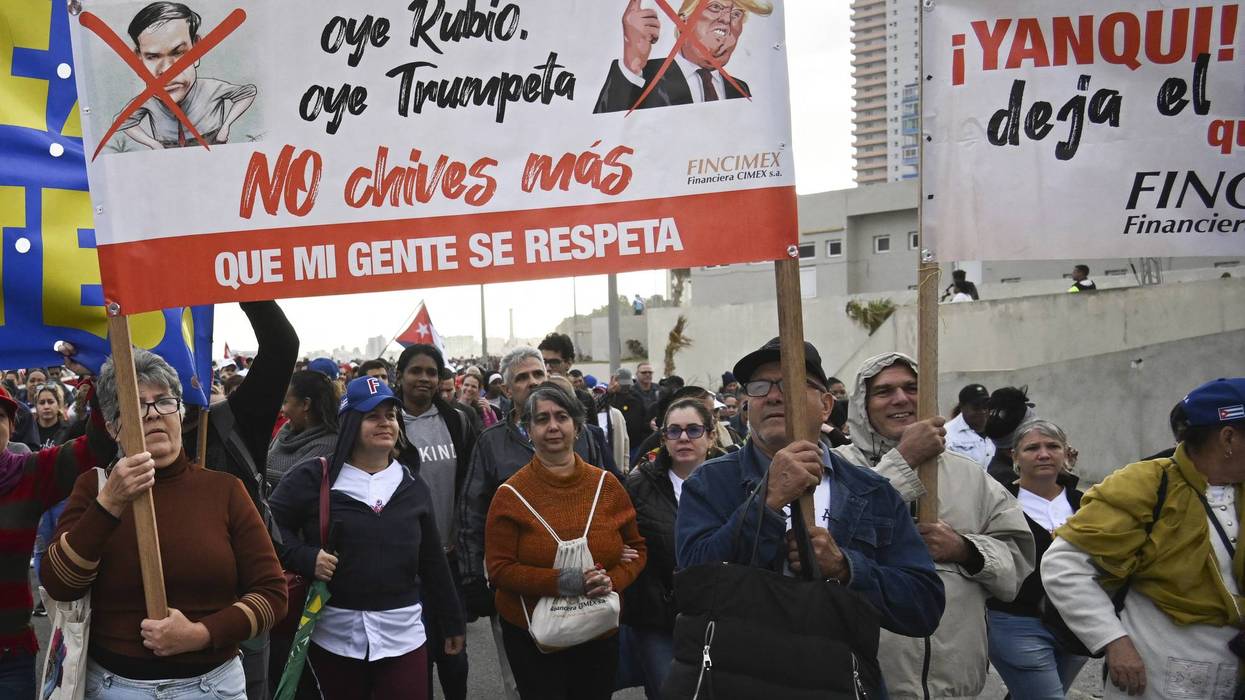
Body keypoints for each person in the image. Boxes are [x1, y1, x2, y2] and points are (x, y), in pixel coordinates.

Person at [676, 338, 946, 691]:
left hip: (840, 683)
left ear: (825, 405)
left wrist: (847, 567)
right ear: (746, 406)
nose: (773, 396)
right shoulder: (709, 483)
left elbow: (923, 605)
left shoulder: (870, 491)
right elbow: (693, 586)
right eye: (759, 387)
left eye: (789, 383)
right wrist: (767, 504)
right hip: (736, 682)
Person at [42, 349, 286, 699]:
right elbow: (59, 583)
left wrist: (202, 632)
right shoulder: (93, 488)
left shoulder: (224, 490)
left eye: (164, 402)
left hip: (212, 688)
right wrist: (111, 502)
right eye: (137, 405)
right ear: (113, 427)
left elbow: (272, 594)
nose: (153, 414)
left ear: (180, 414)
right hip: (114, 688)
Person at [834, 352, 1034, 698]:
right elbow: (835, 539)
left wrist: (966, 550)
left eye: (912, 387)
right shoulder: (836, 469)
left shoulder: (968, 474)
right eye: (884, 391)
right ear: (862, 405)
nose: (901, 398)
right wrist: (903, 462)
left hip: (954, 687)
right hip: (867, 684)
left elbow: (1018, 561)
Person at [1043, 377, 1245, 699]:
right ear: (1228, 437)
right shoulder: (1147, 483)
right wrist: (1113, 640)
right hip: (1155, 679)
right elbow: (1063, 566)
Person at [270, 377, 464, 700]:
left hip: (404, 636)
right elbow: (267, 523)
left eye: (390, 415)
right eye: (373, 416)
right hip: (334, 638)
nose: (385, 422)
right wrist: (305, 557)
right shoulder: (315, 477)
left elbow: (433, 561)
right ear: (351, 424)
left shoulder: (413, 486)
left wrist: (452, 622)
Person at [458, 347, 611, 700]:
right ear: (507, 390)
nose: (533, 383)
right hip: (519, 587)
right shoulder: (491, 442)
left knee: (584, 681)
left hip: (584, 581)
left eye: (538, 375)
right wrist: (472, 579)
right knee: (526, 685)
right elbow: (470, 512)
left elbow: (607, 496)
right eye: (522, 378)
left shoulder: (582, 435)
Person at [484, 384, 647, 700]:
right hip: (534, 637)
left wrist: (611, 580)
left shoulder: (607, 486)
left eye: (562, 416)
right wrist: (569, 581)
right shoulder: (510, 496)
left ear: (577, 425)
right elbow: (499, 571)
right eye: (542, 419)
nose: (553, 426)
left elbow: (638, 549)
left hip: (598, 631)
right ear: (528, 430)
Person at [0, 378, 107, 696]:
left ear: (11, 426)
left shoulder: (27, 475)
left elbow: (97, 448)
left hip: (9, 659)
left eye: (0, 416)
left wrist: (100, 390)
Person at [621, 397, 723, 698]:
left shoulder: (732, 481)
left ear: (711, 435)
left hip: (719, 615)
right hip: (659, 619)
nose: (683, 438)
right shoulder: (640, 484)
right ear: (662, 437)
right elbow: (625, 540)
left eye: (693, 430)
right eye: (673, 431)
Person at [395, 344, 478, 700]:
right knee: (417, 663)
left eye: (432, 372)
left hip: (450, 561)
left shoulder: (457, 419)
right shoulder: (387, 422)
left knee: (455, 659)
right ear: (400, 376)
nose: (425, 378)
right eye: (416, 371)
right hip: (406, 566)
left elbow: (473, 483)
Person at [987, 419, 1088, 699]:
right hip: (1016, 621)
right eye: (1032, 448)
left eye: (1052, 446)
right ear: (1015, 456)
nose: (1044, 454)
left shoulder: (1088, 504)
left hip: (1077, 624)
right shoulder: (999, 503)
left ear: (1066, 453)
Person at [114, 2, 256, 150]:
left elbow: (248, 92)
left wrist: (226, 126)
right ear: (138, 60)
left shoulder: (210, 88)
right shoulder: (148, 100)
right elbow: (122, 121)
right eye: (152, 56)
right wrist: (154, 144)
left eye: (178, 52)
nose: (167, 70)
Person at [594, 0, 774, 113]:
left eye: (736, 14)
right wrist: (632, 63)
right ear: (682, 22)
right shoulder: (643, 76)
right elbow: (606, 130)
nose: (726, 20)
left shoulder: (740, 89)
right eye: (715, 7)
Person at [266, 370, 340, 492]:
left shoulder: (328, 444)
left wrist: (252, 473)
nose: (282, 410)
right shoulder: (286, 429)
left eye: (285, 402)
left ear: (306, 404)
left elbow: (294, 482)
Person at [945, 383, 995, 468]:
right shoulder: (947, 434)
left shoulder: (997, 429)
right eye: (976, 407)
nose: (982, 411)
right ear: (962, 407)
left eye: (985, 406)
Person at [33, 382, 70, 448]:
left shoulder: (69, 431)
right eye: (42, 403)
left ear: (59, 404)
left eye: (50, 402)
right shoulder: (29, 431)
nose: (46, 407)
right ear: (36, 406)